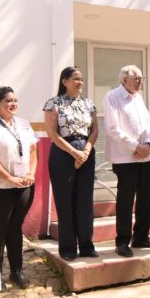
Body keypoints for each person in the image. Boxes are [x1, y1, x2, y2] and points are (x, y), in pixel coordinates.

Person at [0, 86, 38, 288]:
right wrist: (9, 178)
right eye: (8, 101)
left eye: (15, 100)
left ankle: (16, 271)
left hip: (24, 185)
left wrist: (30, 173)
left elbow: (32, 152)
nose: (13, 104)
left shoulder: (24, 124)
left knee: (15, 228)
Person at [102, 65, 150, 258]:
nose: (140, 81)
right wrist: (136, 147)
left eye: (141, 78)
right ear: (124, 79)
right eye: (137, 78)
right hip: (125, 157)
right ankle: (122, 241)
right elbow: (112, 128)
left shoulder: (139, 97)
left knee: (145, 198)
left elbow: (148, 124)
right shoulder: (112, 97)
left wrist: (148, 144)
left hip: (146, 156)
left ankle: (141, 236)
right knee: (126, 201)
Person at [44, 67, 99, 261]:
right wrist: (74, 152)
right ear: (64, 81)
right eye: (75, 79)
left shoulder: (88, 103)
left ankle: (86, 244)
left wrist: (85, 151)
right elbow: (52, 133)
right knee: (65, 200)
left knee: (85, 201)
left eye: (81, 79)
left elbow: (94, 130)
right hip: (62, 152)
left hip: (86, 151)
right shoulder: (54, 103)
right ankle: (67, 247)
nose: (80, 82)